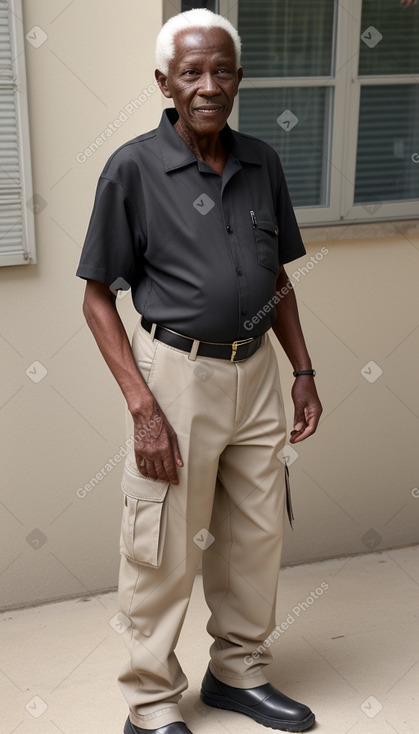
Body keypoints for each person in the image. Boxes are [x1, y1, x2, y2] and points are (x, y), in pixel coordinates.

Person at [76, 9, 322, 733]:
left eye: (221, 70)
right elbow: (95, 298)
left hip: (257, 376)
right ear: (165, 82)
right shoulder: (132, 168)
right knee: (161, 547)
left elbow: (275, 273)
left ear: (237, 79)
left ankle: (237, 673)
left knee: (255, 535)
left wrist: (302, 370)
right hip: (175, 376)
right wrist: (142, 407)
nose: (208, 84)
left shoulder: (260, 161)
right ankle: (150, 704)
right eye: (191, 72)